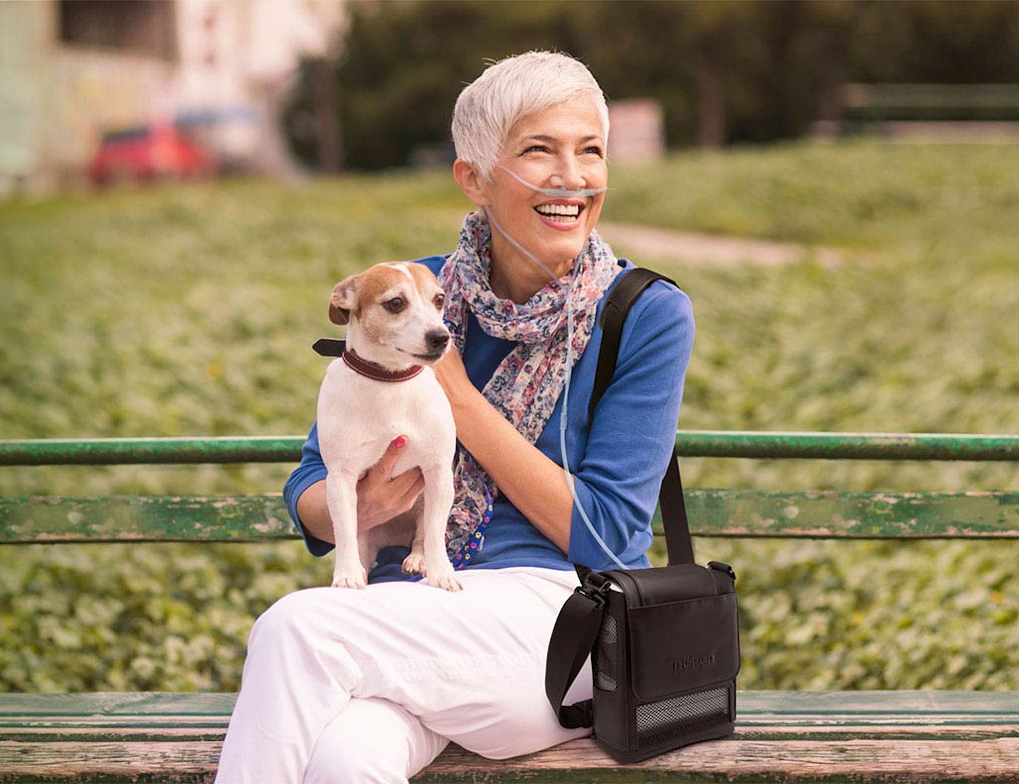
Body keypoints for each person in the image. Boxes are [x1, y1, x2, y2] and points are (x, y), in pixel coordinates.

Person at [214, 51, 693, 783]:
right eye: (539, 149)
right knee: (345, 761)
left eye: (589, 151)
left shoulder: (644, 313)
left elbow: (608, 536)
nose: (572, 177)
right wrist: (359, 502)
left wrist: (457, 397)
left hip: (558, 624)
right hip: (411, 613)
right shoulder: (413, 292)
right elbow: (314, 481)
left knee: (295, 629)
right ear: (473, 177)